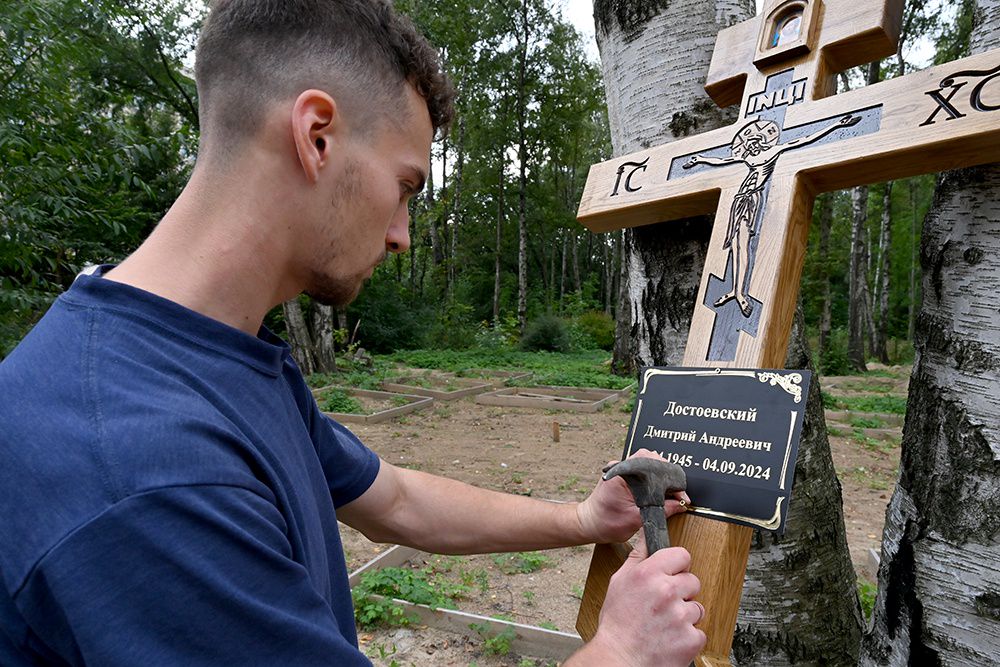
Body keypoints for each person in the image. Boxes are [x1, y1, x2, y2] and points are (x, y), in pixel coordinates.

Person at [0, 1, 706, 664]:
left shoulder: (208, 355)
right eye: (404, 186)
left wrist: (583, 517)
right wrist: (618, 650)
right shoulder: (147, 469)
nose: (401, 234)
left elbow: (394, 499)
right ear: (316, 137)